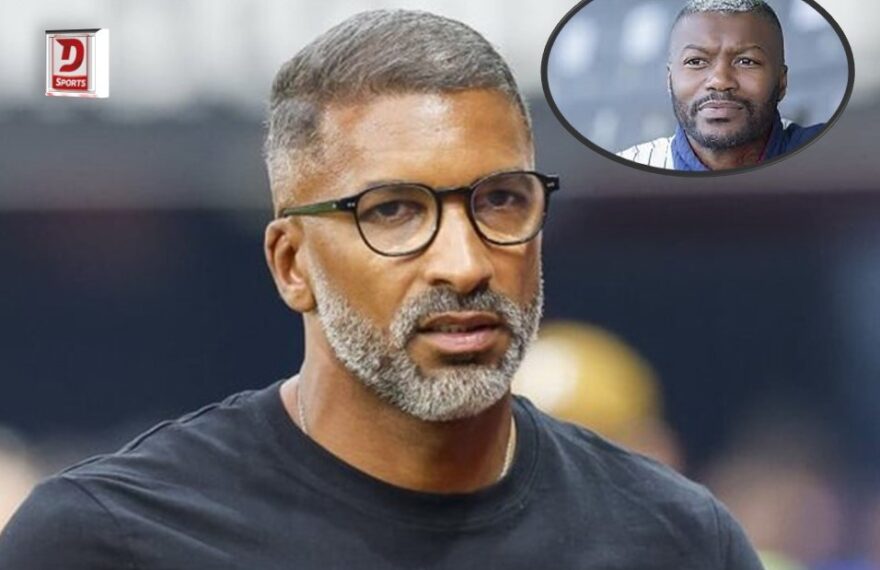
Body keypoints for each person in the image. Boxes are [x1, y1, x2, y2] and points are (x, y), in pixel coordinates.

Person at [0, 10, 764, 569]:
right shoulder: (107, 542)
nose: (464, 263)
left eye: (501, 200)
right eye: (394, 212)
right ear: (292, 264)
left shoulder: (678, 541)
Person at [617, 0, 825, 171]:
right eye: (696, 61)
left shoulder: (830, 159)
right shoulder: (623, 178)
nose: (720, 81)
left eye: (746, 61)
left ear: (782, 82)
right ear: (669, 80)